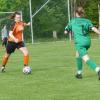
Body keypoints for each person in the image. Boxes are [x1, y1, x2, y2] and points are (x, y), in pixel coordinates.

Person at [64, 7, 100, 80]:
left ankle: (98, 70)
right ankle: (79, 73)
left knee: (85, 58)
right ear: (82, 13)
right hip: (87, 41)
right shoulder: (87, 21)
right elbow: (93, 28)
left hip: (80, 42)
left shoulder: (72, 21)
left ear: (75, 13)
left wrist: (68, 31)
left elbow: (65, 31)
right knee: (78, 54)